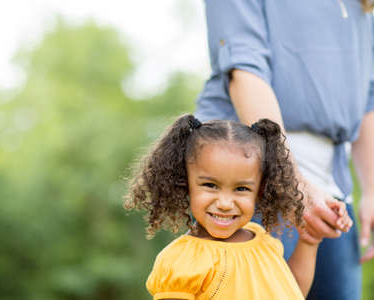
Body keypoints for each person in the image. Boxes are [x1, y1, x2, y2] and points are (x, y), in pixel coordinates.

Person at [195, 1, 374, 299]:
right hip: (251, 175)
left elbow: (368, 95)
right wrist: (293, 182)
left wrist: (371, 189)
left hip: (333, 187)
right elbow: (244, 70)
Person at [124, 114, 352, 299]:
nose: (224, 203)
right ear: (184, 184)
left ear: (261, 190)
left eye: (241, 189)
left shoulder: (263, 242)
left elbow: (292, 292)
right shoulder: (183, 261)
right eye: (210, 185)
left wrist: (309, 242)